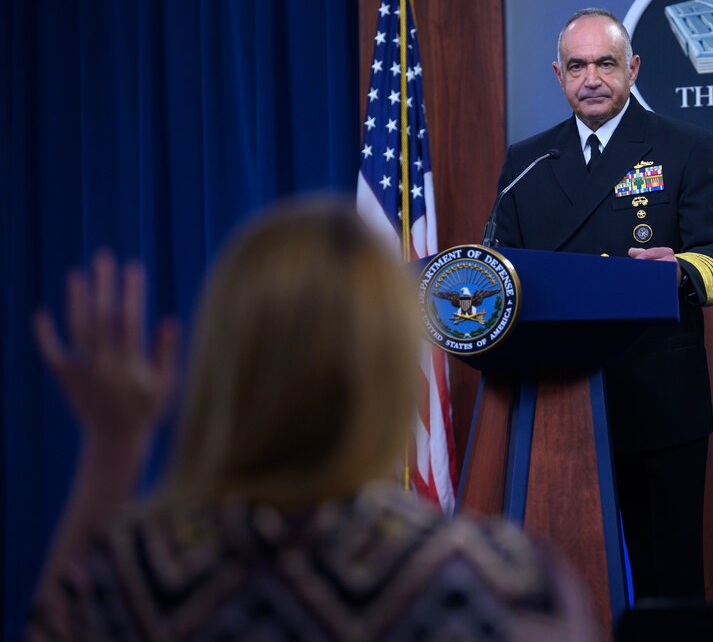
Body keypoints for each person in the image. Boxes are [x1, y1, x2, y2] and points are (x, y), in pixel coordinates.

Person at [28, 197, 594, 641]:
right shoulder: (498, 580)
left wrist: (113, 447)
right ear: (394, 370)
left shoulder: (134, 578)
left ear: (225, 361)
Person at [493, 9, 713, 600]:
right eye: (577, 66)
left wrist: (679, 271)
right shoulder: (526, 162)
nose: (592, 78)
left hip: (658, 401)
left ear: (632, 70)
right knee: (563, 588)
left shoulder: (686, 148)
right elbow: (498, 267)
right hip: (556, 400)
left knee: (669, 587)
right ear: (558, 75)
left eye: (606, 63)